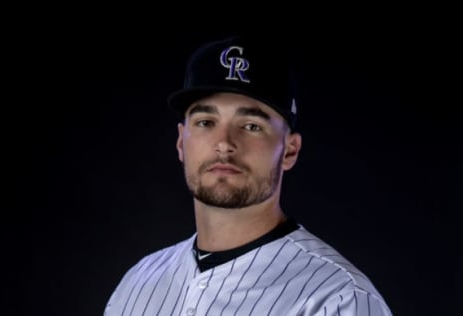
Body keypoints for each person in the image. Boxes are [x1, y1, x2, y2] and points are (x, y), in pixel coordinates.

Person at [103, 35, 393, 316]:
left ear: (290, 150)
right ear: (181, 142)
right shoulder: (137, 284)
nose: (225, 143)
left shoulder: (338, 300)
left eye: (251, 125)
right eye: (206, 122)